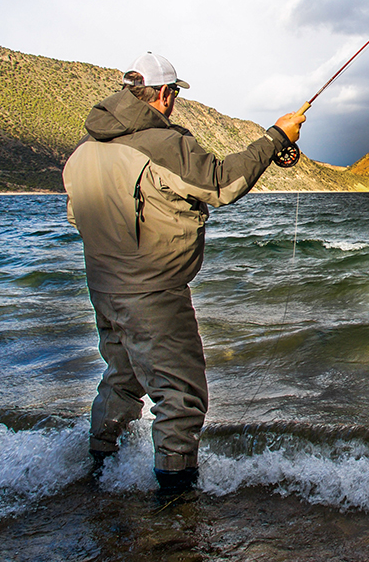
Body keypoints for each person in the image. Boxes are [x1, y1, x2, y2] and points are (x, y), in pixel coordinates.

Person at [63, 52, 305, 496]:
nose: (173, 102)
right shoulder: (162, 144)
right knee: (180, 397)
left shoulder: (81, 153)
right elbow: (221, 184)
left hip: (103, 290)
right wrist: (275, 138)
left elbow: (79, 218)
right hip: (153, 293)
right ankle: (176, 501)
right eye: (173, 93)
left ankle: (99, 475)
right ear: (162, 94)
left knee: (122, 379)